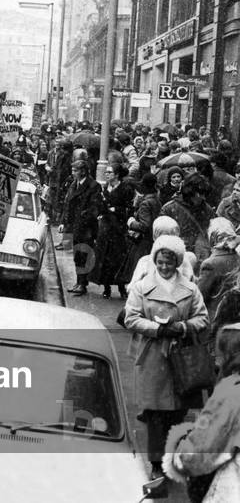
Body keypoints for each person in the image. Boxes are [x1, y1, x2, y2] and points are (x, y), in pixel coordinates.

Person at [124, 234, 209, 487]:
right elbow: (131, 318)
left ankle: (170, 459)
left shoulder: (191, 289)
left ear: (178, 262)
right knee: (154, 414)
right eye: (160, 262)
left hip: (181, 359)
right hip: (152, 357)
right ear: (154, 260)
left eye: (169, 262)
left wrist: (182, 327)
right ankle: (155, 465)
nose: (164, 267)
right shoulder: (142, 287)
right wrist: (157, 329)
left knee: (177, 414)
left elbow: (202, 318)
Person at [162, 324, 240, 501]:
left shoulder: (230, 394)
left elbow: (201, 451)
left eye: (220, 354)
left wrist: (179, 456)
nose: (217, 361)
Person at [60, 160, 104, 295]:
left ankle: (82, 284)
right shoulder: (74, 184)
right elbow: (67, 204)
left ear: (83, 171)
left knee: (84, 254)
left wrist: (82, 219)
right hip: (74, 226)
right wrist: (64, 222)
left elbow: (94, 208)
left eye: (75, 171)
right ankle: (78, 282)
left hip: (86, 228)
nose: (73, 173)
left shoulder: (93, 186)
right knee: (77, 255)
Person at [196, 218, 239, 351]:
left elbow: (200, 297)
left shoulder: (210, 264)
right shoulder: (237, 258)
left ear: (212, 238)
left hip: (215, 323)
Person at [97, 163, 134, 299]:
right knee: (106, 258)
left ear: (117, 175)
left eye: (109, 172)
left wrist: (116, 209)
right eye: (106, 172)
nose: (106, 175)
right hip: (106, 227)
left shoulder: (125, 189)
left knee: (118, 258)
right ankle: (106, 287)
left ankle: (121, 288)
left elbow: (129, 208)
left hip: (119, 228)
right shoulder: (105, 188)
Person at [161, 173, 214, 267]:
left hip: (201, 261)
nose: (203, 197)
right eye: (200, 194)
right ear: (191, 192)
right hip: (177, 260)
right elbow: (162, 239)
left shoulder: (207, 210)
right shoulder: (169, 209)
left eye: (205, 194)